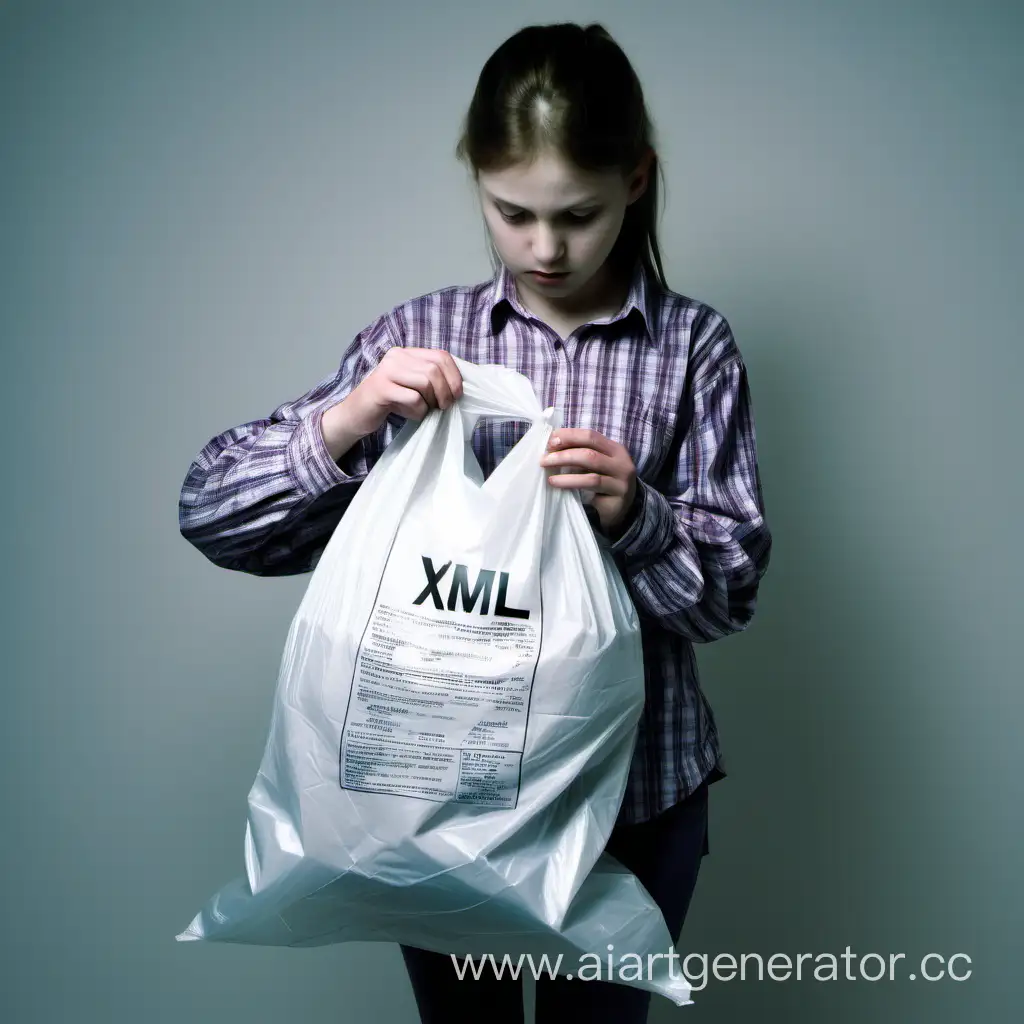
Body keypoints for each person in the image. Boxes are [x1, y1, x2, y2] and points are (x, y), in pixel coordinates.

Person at [178, 20, 771, 1024]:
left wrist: (636, 514)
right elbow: (216, 517)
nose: (546, 247)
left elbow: (728, 597)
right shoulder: (416, 338)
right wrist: (350, 416)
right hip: (437, 801)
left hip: (632, 802)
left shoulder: (692, 348)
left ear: (636, 180)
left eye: (577, 215)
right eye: (513, 213)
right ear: (476, 182)